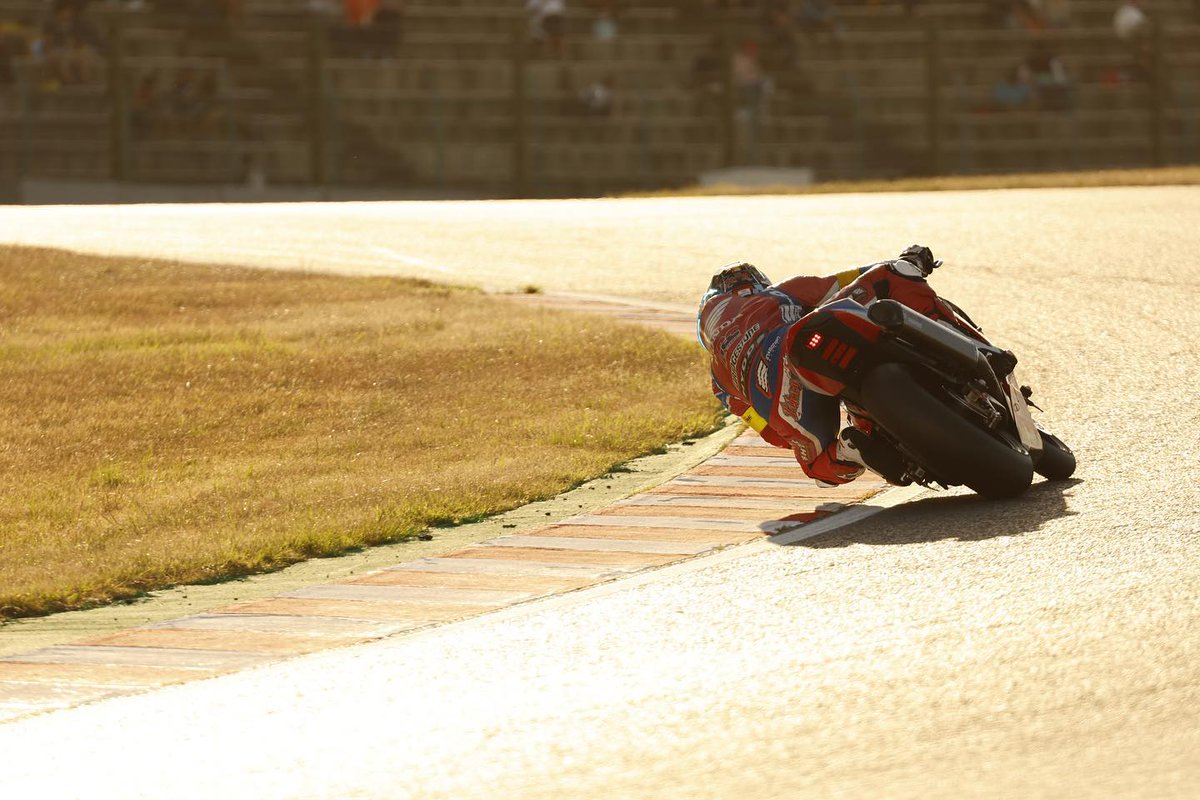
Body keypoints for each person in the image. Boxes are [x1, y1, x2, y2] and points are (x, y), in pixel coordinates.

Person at [697, 245, 979, 487]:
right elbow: (850, 278)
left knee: (821, 468)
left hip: (776, 396)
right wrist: (912, 260)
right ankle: (972, 347)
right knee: (891, 275)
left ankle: (850, 449)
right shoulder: (779, 292)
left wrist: (795, 433)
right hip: (795, 341)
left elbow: (769, 432)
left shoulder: (718, 382)